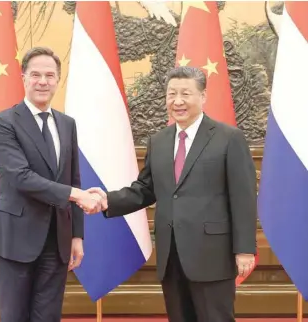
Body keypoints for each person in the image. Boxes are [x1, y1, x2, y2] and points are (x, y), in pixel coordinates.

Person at [83, 66, 257, 322]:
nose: (177, 101)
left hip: (212, 255)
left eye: (185, 94)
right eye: (171, 94)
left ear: (203, 96)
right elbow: (145, 189)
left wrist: (244, 249)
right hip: (171, 254)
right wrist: (107, 200)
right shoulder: (159, 140)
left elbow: (243, 197)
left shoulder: (229, 138)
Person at [0, 47, 100, 322]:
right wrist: (77, 196)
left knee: (48, 316)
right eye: (35, 74)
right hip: (15, 237)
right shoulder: (3, 123)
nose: (42, 81)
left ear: (57, 80)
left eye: (50, 75)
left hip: (57, 240)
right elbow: (20, 176)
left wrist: (76, 235)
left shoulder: (66, 124)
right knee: (14, 316)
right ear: (23, 77)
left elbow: (73, 177)